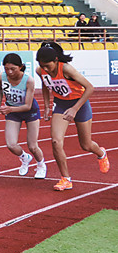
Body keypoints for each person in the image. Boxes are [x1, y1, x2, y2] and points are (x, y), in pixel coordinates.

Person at [36, 41, 110, 191]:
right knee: (56, 141)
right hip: (61, 104)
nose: (45, 69)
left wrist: (75, 109)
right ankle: (66, 179)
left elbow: (89, 88)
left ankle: (101, 153)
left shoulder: (66, 69)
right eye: (42, 65)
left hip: (79, 104)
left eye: (48, 66)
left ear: (56, 60)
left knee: (86, 145)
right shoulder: (41, 70)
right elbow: (45, 84)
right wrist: (47, 106)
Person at [0, 53, 46, 179]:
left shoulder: (29, 81)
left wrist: (9, 109)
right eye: (6, 69)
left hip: (29, 112)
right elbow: (0, 90)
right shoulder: (1, 77)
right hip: (13, 112)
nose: (9, 72)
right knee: (11, 144)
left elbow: (27, 106)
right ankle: (25, 158)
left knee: (32, 146)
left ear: (21, 67)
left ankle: (41, 165)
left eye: (13, 69)